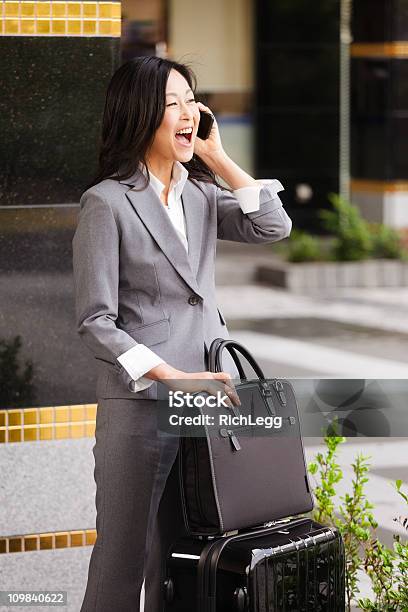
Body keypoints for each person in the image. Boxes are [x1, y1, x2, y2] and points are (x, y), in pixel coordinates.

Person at [72, 55, 292, 612]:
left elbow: (274, 225)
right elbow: (96, 321)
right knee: (124, 562)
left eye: (192, 99)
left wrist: (216, 156)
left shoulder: (198, 193)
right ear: (140, 115)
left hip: (208, 406)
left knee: (180, 558)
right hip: (143, 403)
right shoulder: (107, 203)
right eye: (173, 103)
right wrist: (167, 374)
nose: (188, 111)